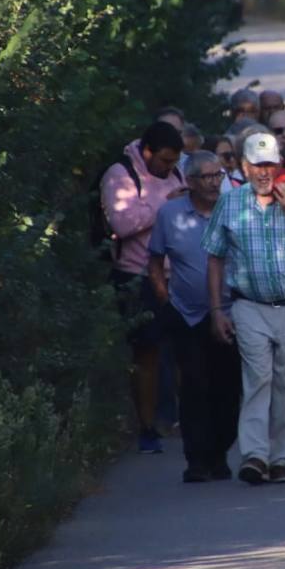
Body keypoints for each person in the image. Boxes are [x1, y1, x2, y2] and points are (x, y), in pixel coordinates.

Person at [204, 132, 285, 485]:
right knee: (258, 379)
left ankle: (282, 458)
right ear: (244, 166)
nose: (263, 172)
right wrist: (216, 310)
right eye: (256, 165)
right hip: (249, 305)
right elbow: (214, 257)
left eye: (270, 164)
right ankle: (255, 455)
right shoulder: (230, 202)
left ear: (279, 165)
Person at [148, 151, 240, 482]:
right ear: (189, 182)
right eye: (207, 177)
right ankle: (197, 460)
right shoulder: (171, 214)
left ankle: (220, 453)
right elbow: (155, 259)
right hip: (187, 314)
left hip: (232, 313)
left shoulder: (234, 210)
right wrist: (164, 298)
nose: (215, 182)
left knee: (228, 388)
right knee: (194, 386)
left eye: (219, 175)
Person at [100, 120, 187, 454]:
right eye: (164, 161)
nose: (169, 168)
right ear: (148, 152)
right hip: (136, 276)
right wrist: (167, 202)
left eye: (174, 162)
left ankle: (182, 417)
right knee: (147, 352)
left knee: (182, 349)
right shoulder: (121, 175)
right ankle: (147, 427)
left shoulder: (174, 176)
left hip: (176, 273)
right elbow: (122, 224)